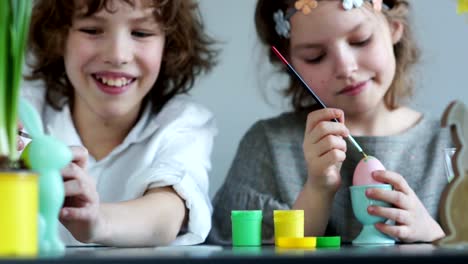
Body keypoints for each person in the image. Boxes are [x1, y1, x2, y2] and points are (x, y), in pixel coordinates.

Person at [210, 0, 452, 244]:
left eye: (360, 40)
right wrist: (317, 189)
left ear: (394, 29)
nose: (345, 67)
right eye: (315, 57)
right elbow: (241, 250)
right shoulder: (268, 146)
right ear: (290, 64)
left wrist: (436, 237)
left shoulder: (453, 143)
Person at [21, 0, 218, 247]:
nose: (117, 55)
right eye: (92, 30)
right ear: (59, 37)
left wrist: (98, 221)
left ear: (168, 46)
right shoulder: (21, 109)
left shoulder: (183, 124)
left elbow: (167, 213)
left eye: (141, 33)